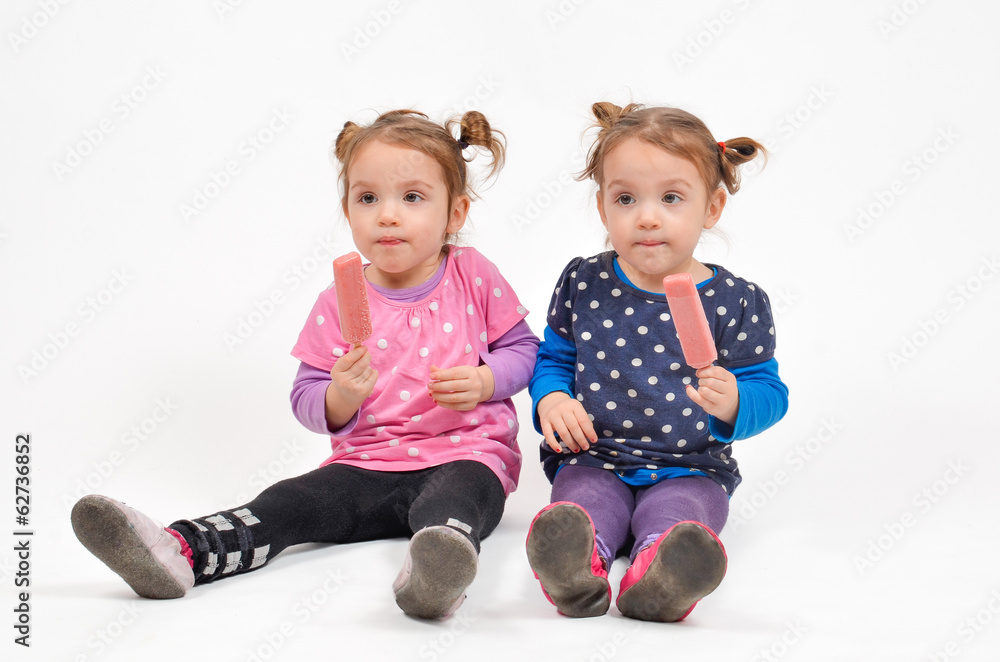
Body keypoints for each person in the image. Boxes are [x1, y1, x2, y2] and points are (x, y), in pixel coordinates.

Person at [72, 109, 539, 620]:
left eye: (412, 197)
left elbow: (524, 350)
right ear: (347, 210)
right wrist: (341, 396)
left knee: (457, 503)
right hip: (365, 466)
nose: (387, 215)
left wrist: (486, 380)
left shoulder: (472, 274)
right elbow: (306, 398)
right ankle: (180, 551)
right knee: (288, 503)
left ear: (455, 213)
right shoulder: (339, 300)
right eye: (368, 198)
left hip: (467, 454)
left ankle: (436, 574)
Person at [525, 102, 789, 622]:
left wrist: (735, 401)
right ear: (603, 207)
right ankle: (576, 567)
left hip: (692, 466)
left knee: (681, 517)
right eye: (625, 198)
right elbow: (554, 358)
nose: (647, 217)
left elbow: (770, 391)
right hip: (593, 456)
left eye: (671, 198)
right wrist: (551, 398)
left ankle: (661, 573)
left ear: (712, 207)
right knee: (582, 507)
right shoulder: (584, 282)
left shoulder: (735, 302)